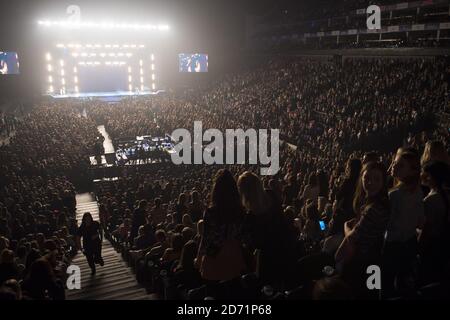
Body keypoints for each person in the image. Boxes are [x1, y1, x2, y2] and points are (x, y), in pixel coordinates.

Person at [335, 162, 390, 298]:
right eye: (367, 178)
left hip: (365, 262)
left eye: (377, 179)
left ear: (384, 181)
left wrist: (346, 227)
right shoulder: (376, 202)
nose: (370, 183)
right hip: (373, 262)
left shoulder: (374, 208)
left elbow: (352, 237)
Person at [383, 151, 424, 298]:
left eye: (400, 165)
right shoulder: (418, 191)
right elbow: (420, 221)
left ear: (412, 171)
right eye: (394, 162)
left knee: (384, 284)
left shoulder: (394, 195)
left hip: (392, 246)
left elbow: (386, 223)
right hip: (410, 243)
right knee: (403, 285)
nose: (394, 166)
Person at [196, 169, 247, 282]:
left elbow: (206, 238)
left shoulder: (211, 212)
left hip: (214, 257)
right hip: (234, 257)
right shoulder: (241, 211)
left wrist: (199, 258)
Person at [418, 161, 450, 285]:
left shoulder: (431, 200)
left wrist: (418, 247)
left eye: (427, 175)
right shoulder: (446, 194)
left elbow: (427, 227)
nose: (423, 177)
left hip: (431, 244)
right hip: (444, 242)